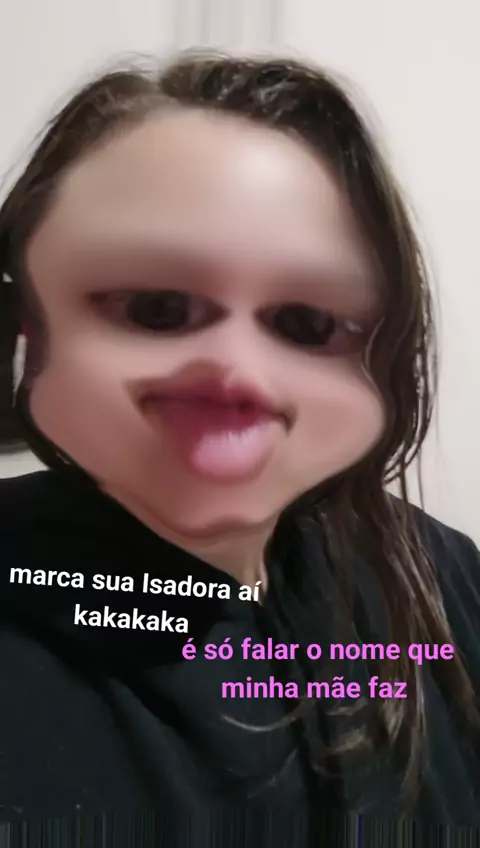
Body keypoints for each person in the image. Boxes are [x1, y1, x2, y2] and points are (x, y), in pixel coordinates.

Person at [0, 50, 479, 841]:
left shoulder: (439, 574)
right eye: (155, 307)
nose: (236, 373)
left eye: (308, 323)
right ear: (28, 322)